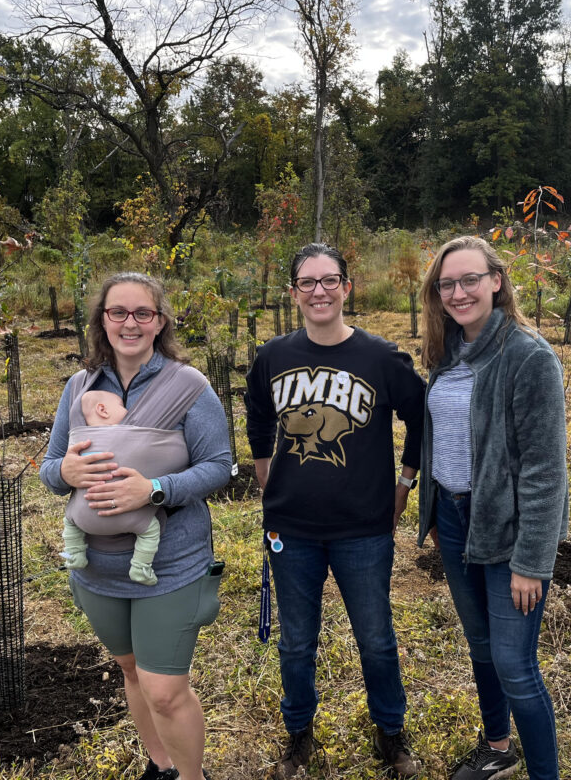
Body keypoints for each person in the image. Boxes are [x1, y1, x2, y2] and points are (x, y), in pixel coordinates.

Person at [244, 243, 426, 780]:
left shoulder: (382, 358)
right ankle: (298, 735)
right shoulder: (273, 356)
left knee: (376, 638)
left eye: (329, 281)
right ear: (294, 292)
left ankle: (391, 734)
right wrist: (263, 470)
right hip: (292, 527)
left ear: (347, 287)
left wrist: (406, 481)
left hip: (363, 527)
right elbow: (257, 412)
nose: (319, 291)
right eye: (307, 282)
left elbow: (421, 419)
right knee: (296, 641)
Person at [40, 272, 231, 780]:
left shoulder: (188, 386)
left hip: (168, 563)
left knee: (165, 690)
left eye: (142, 313)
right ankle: (160, 766)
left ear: (160, 321)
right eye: (117, 312)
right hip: (98, 569)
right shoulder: (80, 387)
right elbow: (50, 466)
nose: (130, 322)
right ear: (102, 321)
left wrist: (154, 490)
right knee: (130, 670)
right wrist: (65, 472)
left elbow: (218, 466)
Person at [416, 236, 568, 780]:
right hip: (456, 524)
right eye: (447, 284)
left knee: (515, 664)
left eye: (470, 280)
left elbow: (545, 472)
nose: (459, 293)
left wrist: (532, 561)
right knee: (481, 647)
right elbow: (439, 439)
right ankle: (498, 748)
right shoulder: (447, 349)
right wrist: (433, 513)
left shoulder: (528, 357)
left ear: (497, 281)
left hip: (507, 532)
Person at [61, 390, 163, 586]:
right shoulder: (132, 435)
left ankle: (74, 554)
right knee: (151, 530)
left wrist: (63, 469)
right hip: (130, 514)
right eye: (122, 406)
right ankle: (141, 566)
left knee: (69, 521)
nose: (127, 410)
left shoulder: (80, 441)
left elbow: (58, 461)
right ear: (103, 410)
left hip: (84, 515)